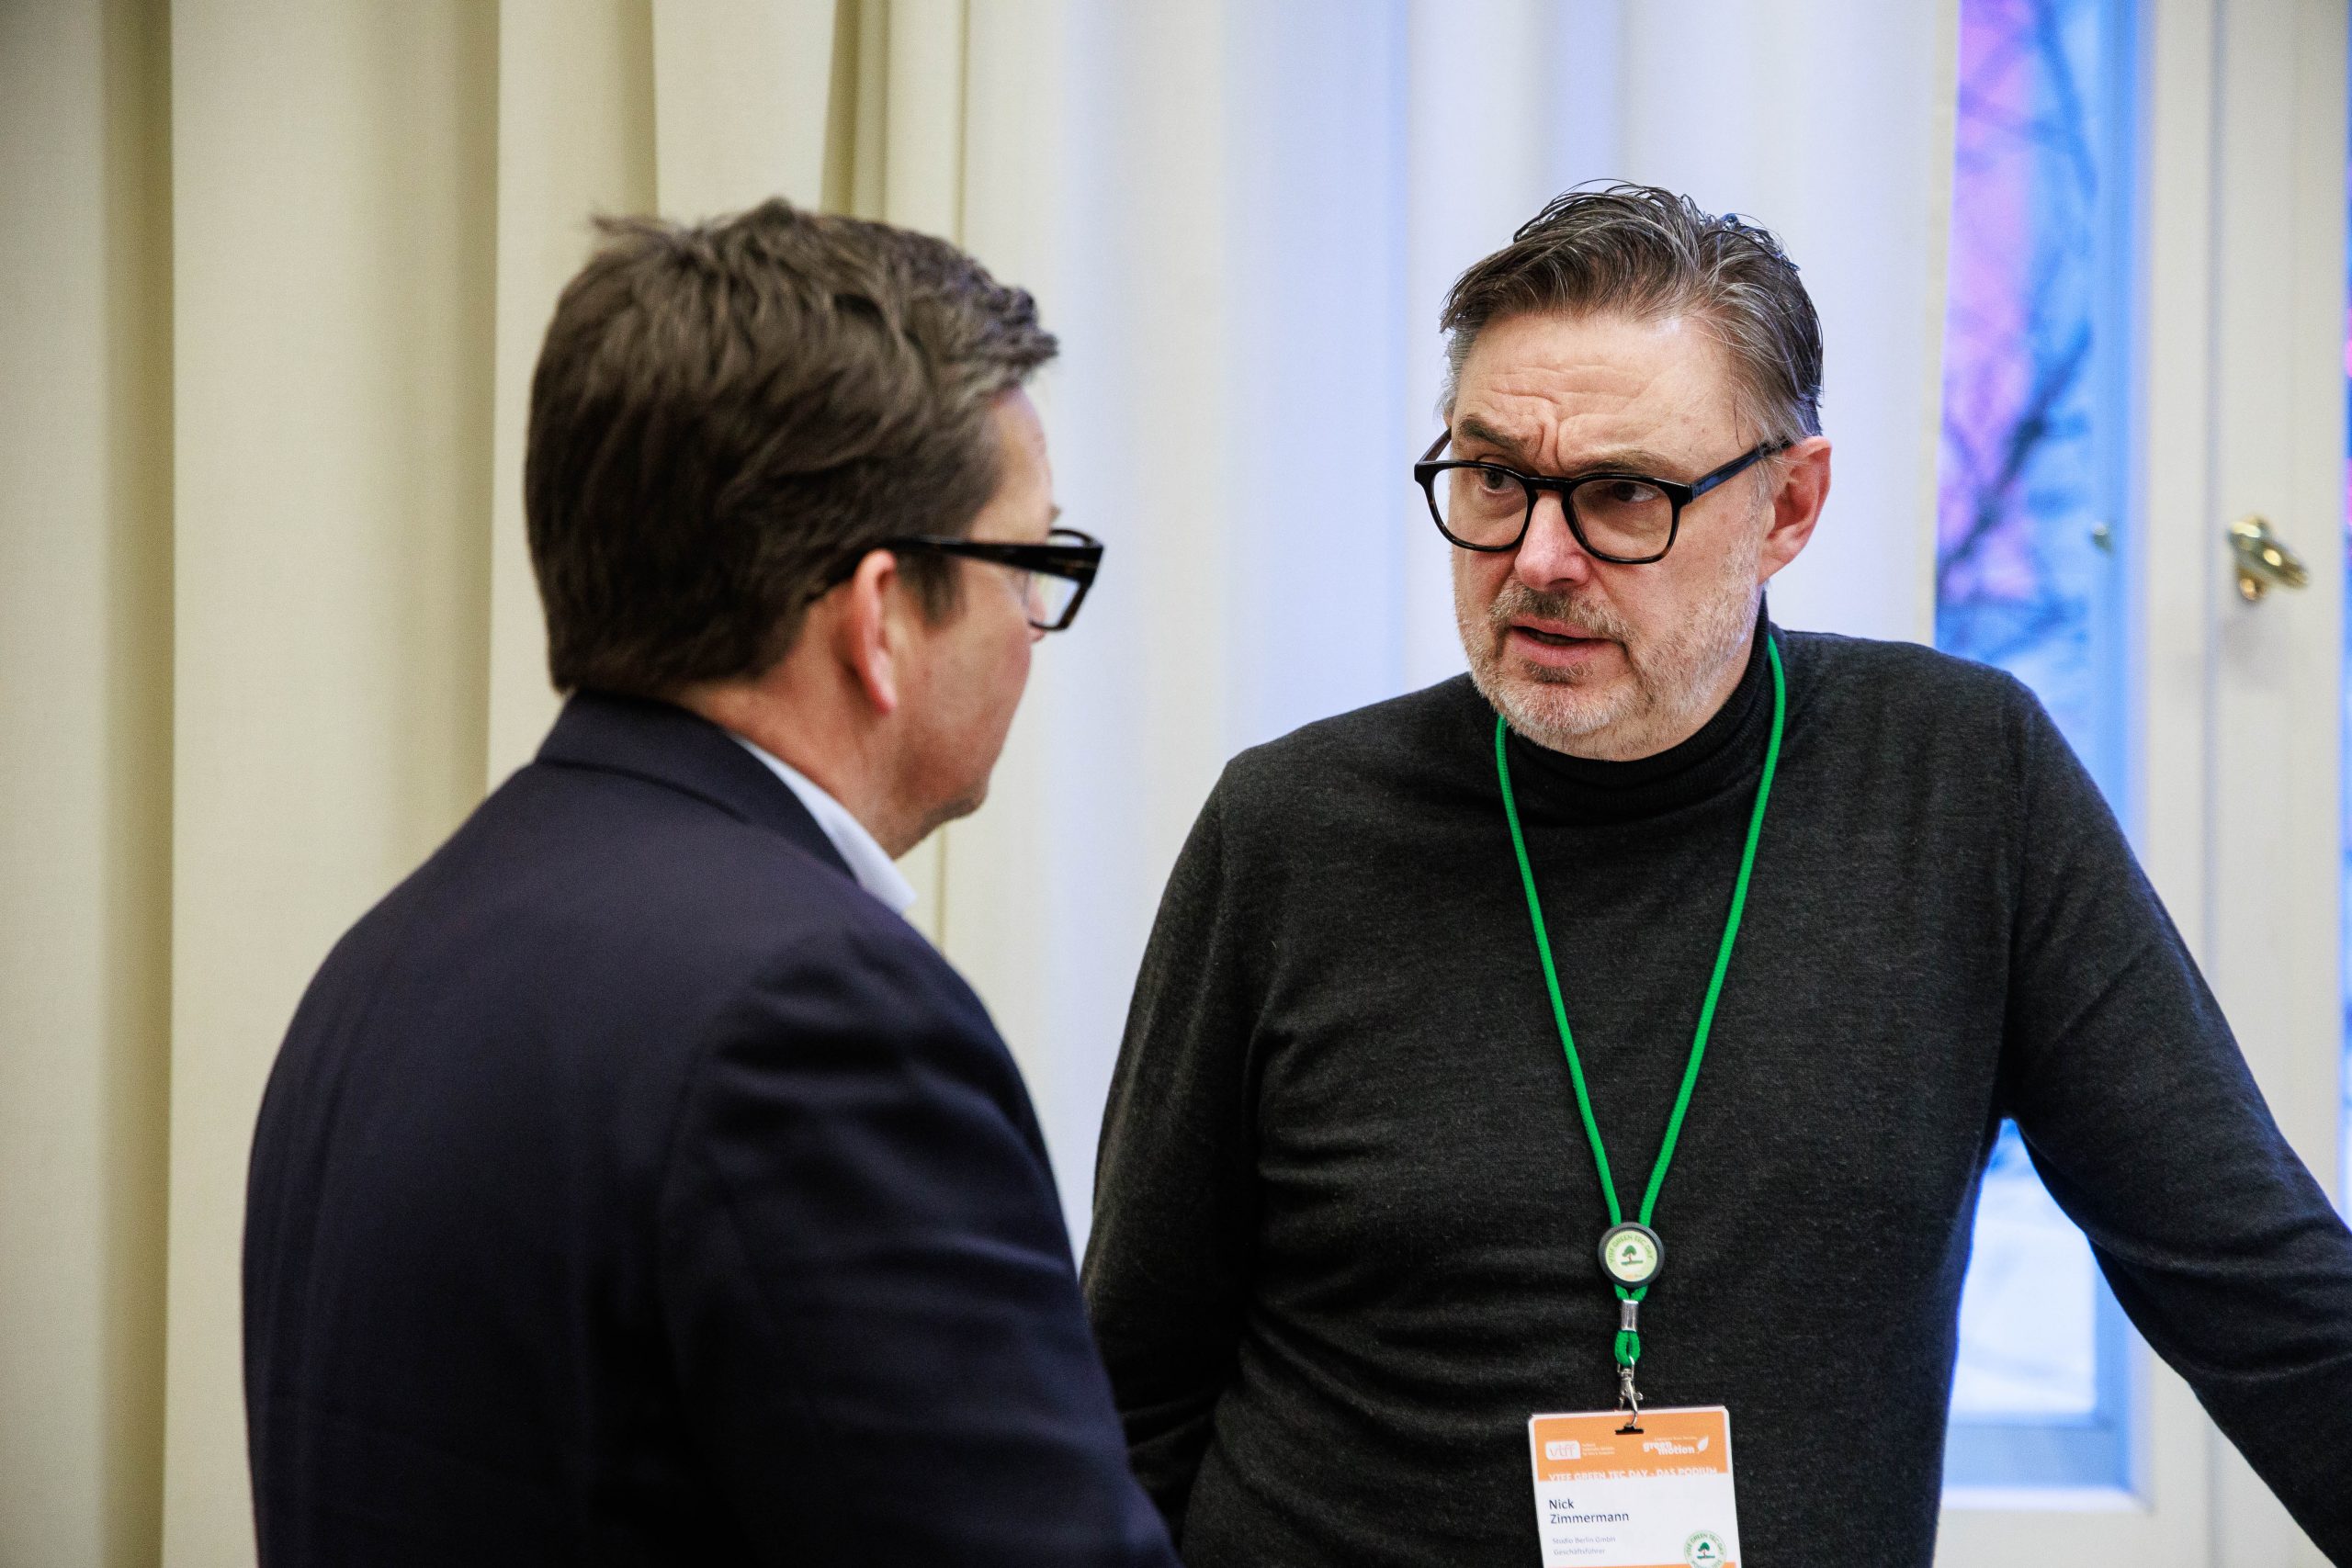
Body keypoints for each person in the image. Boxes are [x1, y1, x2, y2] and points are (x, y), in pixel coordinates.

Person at [1085, 185, 2352, 1565]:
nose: (1539, 561)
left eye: (1624, 494)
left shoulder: (1962, 783)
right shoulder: (1289, 829)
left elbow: (2256, 1283)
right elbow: (1129, 1384)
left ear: (1788, 506)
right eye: (1495, 480)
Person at [244, 201, 1174, 1566]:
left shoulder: (389, 953)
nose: (1037, 632)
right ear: (878, 617)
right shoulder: (816, 1020)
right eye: (1032, 565)